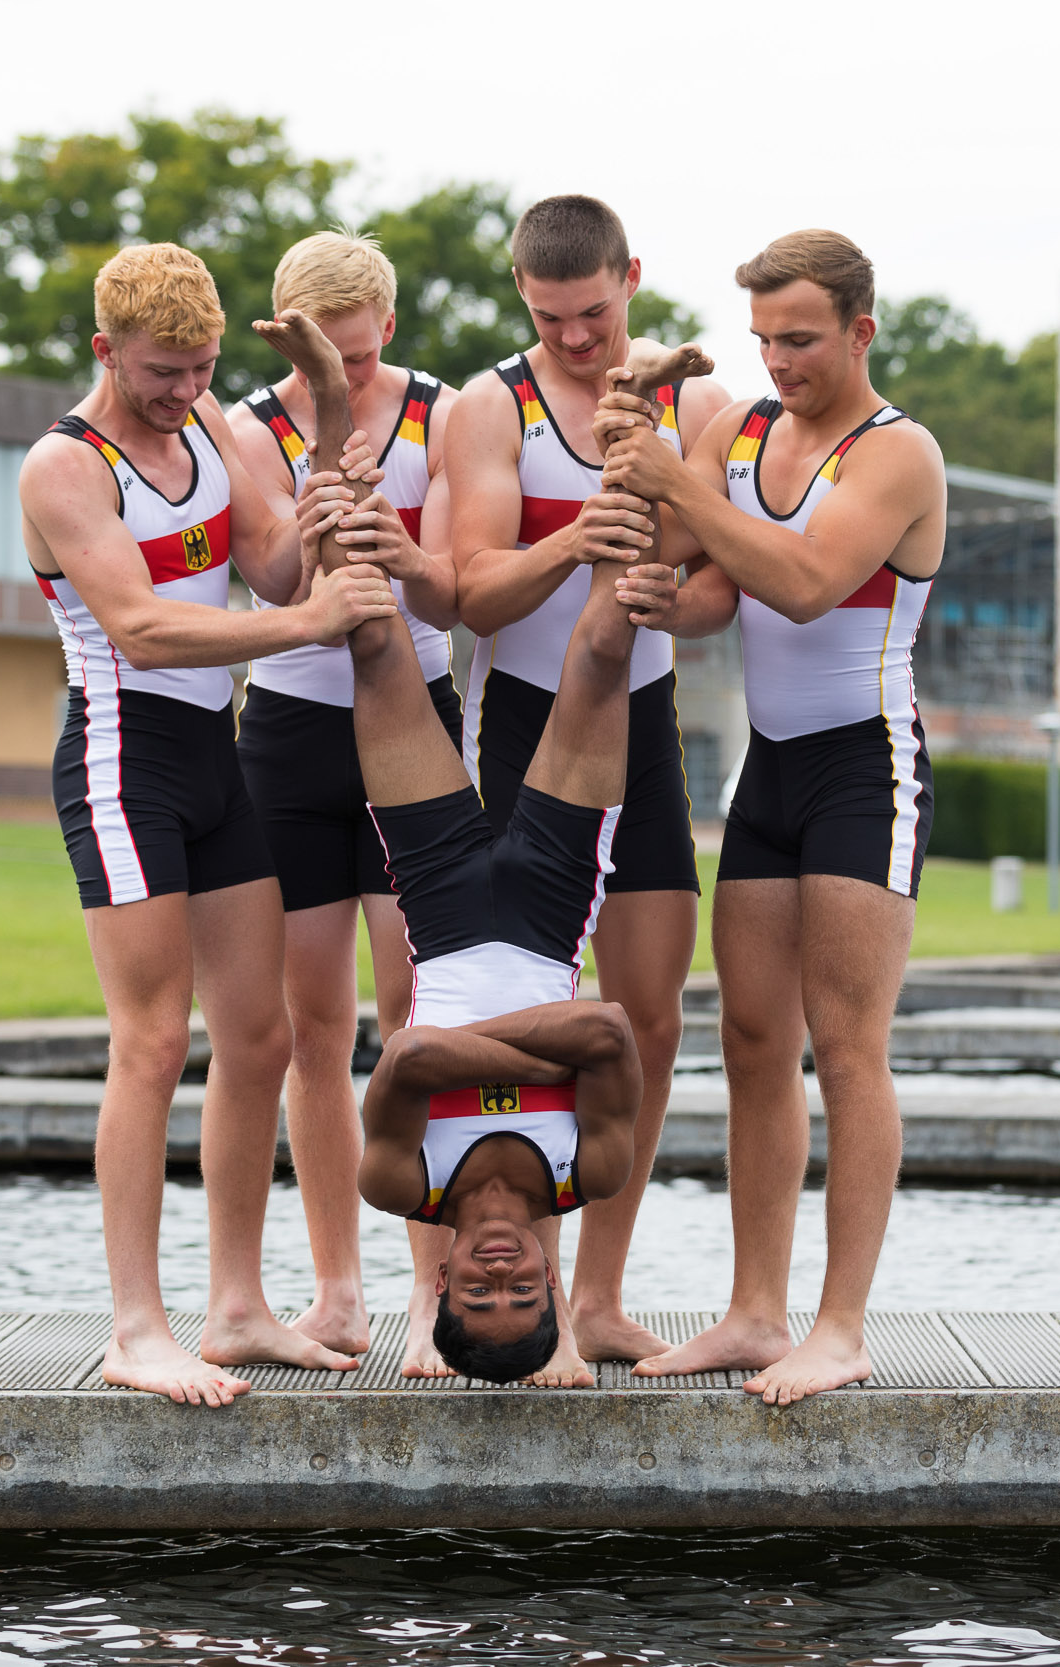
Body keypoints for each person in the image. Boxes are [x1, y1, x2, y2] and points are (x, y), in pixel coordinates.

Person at [16, 240, 400, 1407]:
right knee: (148, 1039)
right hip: (122, 758)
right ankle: (138, 1324)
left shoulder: (217, 435)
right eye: (160, 373)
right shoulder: (64, 468)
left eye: (201, 369)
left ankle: (236, 1305)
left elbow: (279, 570)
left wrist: (326, 471)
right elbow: (140, 627)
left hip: (212, 763)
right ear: (104, 351)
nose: (184, 390)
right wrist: (309, 626)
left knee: (264, 1035)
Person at [588, 229, 947, 1405]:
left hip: (864, 769)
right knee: (751, 1040)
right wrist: (660, 592)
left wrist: (673, 477)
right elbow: (712, 584)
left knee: (846, 1048)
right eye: (762, 342)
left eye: (799, 339)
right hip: (770, 772)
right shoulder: (744, 435)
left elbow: (801, 582)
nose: (778, 361)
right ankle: (755, 1311)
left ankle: (838, 1326)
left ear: (859, 329)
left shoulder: (897, 454)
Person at [315, 333, 715, 1383]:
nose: (501, 1272)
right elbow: (606, 1024)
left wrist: (522, 1057)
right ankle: (630, 418)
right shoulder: (593, 1166)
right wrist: (516, 1051)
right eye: (524, 1291)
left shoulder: (404, 1185)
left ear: (441, 1284)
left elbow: (403, 1056)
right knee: (607, 636)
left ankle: (327, 422)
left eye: (480, 1293)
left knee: (373, 639)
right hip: (549, 900)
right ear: (550, 1280)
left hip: (439, 902)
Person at [438, 192, 732, 1372]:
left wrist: (673, 595)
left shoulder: (700, 404)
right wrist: (585, 534)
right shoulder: (488, 404)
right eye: (553, 317)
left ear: (633, 278)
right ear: (523, 293)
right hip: (521, 724)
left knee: (648, 1018)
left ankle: (603, 1293)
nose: (575, 339)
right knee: (528, 1020)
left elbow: (723, 587)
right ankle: (543, 1291)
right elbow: (472, 591)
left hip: (643, 718)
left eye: (596, 314)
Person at [221, 232, 462, 1361]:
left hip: (410, 721)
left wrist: (396, 534)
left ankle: (431, 1285)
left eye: (361, 361)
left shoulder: (444, 412)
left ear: (388, 333)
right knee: (311, 1025)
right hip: (290, 731)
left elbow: (455, 592)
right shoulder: (244, 427)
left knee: (413, 1009)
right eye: (328, 361)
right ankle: (336, 1289)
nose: (347, 381)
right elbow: (277, 574)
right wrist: (323, 499)